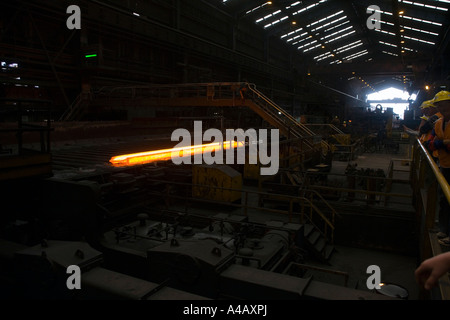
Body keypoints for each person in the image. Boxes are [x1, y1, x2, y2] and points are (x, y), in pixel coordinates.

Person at [425, 91, 450, 245]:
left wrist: (440, 144)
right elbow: (429, 142)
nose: (441, 106)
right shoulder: (438, 123)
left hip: (446, 164)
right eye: (439, 104)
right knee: (444, 199)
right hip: (444, 165)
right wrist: (443, 143)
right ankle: (444, 228)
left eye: (444, 103)